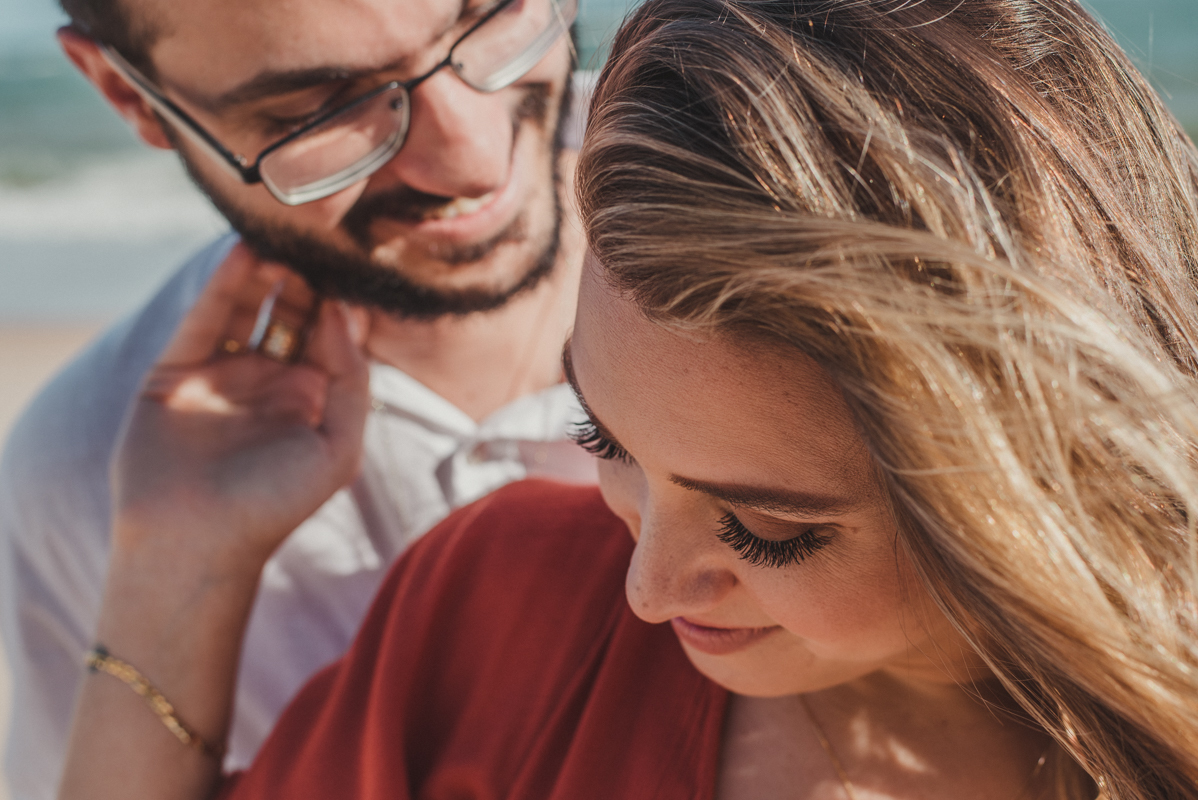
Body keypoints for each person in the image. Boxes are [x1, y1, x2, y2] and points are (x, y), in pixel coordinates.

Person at [55, 0, 1198, 797]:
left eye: (769, 529)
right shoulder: (491, 605)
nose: (646, 588)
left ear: (1054, 469)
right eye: (601, 433)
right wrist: (173, 562)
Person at [0, 0, 599, 795]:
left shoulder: (790, 201)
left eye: (491, 14)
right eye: (322, 105)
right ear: (128, 96)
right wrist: (176, 571)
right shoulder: (90, 470)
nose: (475, 158)